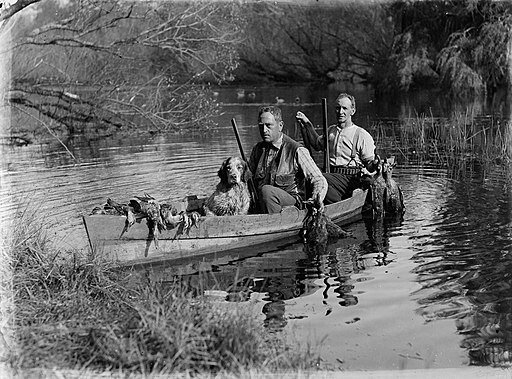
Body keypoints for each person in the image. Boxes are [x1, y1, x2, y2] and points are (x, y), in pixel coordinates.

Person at [295, 93, 376, 204]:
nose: (340, 112)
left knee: (319, 179)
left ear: (352, 111)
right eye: (338, 108)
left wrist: (375, 164)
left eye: (344, 108)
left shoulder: (361, 135)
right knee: (305, 177)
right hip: (331, 176)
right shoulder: (331, 131)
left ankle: (337, 203)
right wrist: (307, 124)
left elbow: (369, 165)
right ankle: (336, 204)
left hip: (350, 179)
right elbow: (316, 144)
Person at [248, 106, 328, 214]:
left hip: (292, 206)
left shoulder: (296, 150)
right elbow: (248, 180)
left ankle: (275, 225)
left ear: (280, 126)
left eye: (268, 125)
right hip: (265, 205)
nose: (264, 130)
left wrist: (315, 199)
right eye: (261, 126)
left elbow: (319, 179)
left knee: (267, 191)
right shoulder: (258, 150)